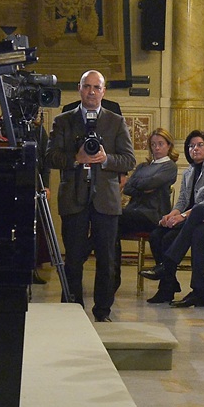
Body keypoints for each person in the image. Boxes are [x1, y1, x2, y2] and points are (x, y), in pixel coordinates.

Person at [46, 70, 136, 322]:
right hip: (73, 197)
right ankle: (72, 310)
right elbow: (50, 156)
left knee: (107, 260)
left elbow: (129, 159)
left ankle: (103, 311)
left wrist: (105, 159)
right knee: (73, 259)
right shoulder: (63, 120)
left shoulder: (116, 121)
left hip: (105, 200)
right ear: (79, 88)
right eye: (87, 86)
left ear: (104, 91)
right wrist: (76, 159)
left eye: (97, 87)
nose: (92, 92)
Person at [145, 131, 204, 303]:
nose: (194, 149)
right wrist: (172, 214)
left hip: (202, 220)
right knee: (156, 235)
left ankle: (166, 281)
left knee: (168, 239)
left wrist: (181, 216)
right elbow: (182, 199)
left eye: (199, 145)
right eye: (191, 146)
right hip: (185, 218)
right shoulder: (189, 171)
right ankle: (169, 283)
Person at [118, 128, 179, 237]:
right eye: (153, 144)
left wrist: (138, 185)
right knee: (109, 225)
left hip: (153, 213)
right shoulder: (143, 166)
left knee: (114, 217)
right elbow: (127, 188)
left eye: (161, 144)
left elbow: (149, 184)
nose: (157, 148)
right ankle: (110, 254)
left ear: (168, 146)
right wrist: (144, 190)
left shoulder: (170, 166)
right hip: (134, 209)